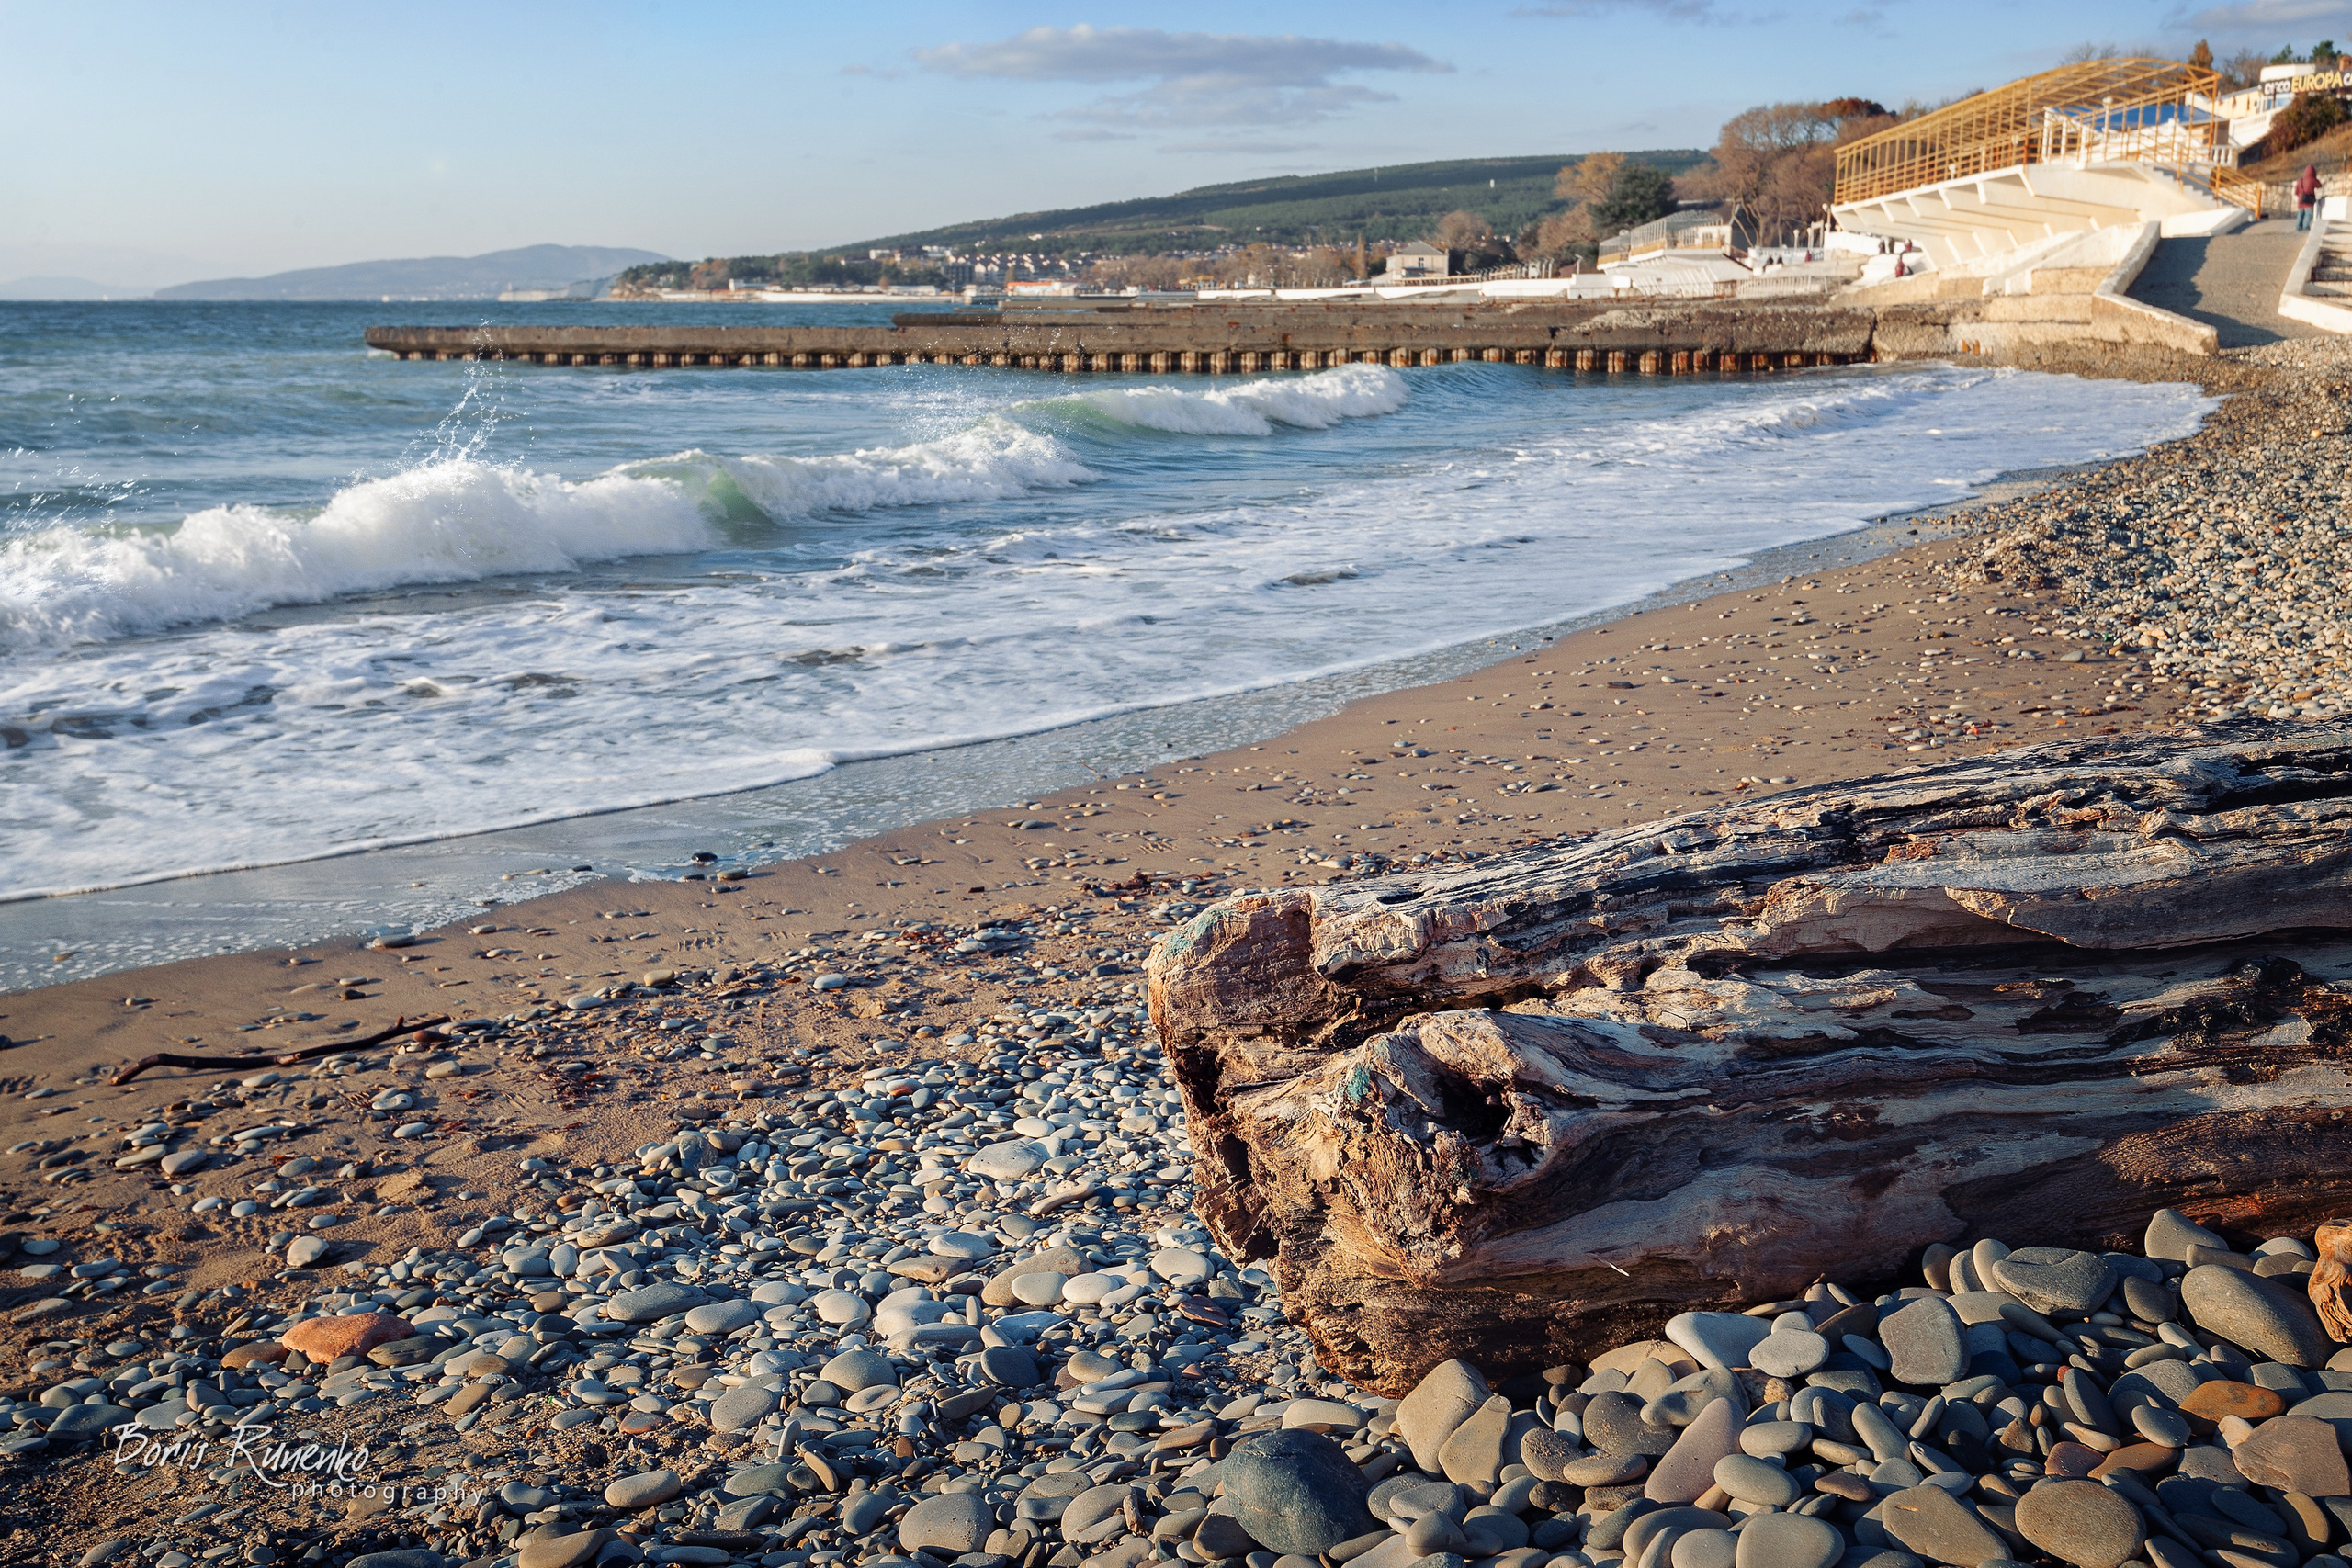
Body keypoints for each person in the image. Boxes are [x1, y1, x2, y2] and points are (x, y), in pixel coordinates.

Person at [2298, 164, 2322, 231]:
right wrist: (2315, 178)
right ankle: (2306, 227)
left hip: (2301, 200)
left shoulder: (2300, 180)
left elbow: (2296, 191)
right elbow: (2319, 185)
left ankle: (2298, 227)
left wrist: (2300, 196)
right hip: (2309, 201)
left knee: (2300, 215)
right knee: (2308, 214)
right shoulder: (2312, 180)